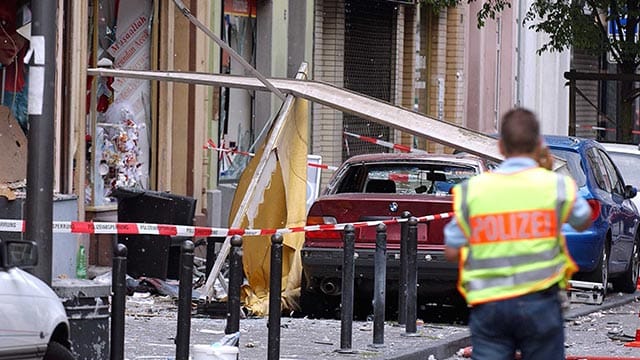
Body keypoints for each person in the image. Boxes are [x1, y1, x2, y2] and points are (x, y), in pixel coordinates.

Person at [444, 108, 593, 359]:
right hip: (541, 304)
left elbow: (451, 250)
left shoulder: (473, 190)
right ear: (539, 145)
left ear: (500, 147)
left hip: (490, 305)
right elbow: (583, 220)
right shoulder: (554, 184)